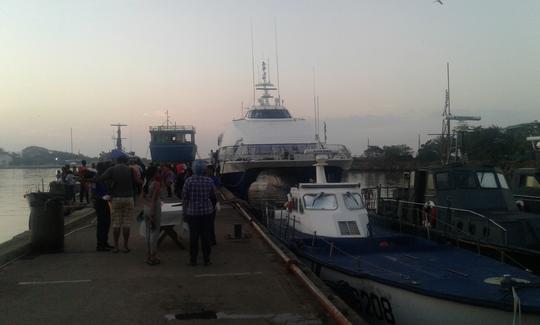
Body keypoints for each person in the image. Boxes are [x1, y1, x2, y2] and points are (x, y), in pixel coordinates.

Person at [95, 156, 134, 253]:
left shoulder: (112, 169)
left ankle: (116, 247)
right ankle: (125, 246)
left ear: (117, 160)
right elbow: (135, 182)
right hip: (128, 198)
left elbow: (100, 178)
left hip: (116, 198)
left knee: (116, 224)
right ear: (126, 161)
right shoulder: (130, 170)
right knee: (126, 224)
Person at [182, 160, 216, 266]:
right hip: (207, 212)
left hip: (192, 213)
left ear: (194, 169)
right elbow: (213, 195)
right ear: (204, 169)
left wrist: (184, 213)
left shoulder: (188, 181)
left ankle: (193, 260)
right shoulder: (209, 181)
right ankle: (207, 259)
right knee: (206, 236)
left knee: (194, 237)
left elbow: (185, 198)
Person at [143, 166, 162, 265]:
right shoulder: (156, 183)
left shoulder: (145, 182)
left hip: (146, 207)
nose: (158, 173)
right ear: (154, 173)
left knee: (147, 232)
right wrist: (153, 211)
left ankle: (148, 256)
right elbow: (154, 198)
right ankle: (153, 256)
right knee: (155, 232)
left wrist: (148, 204)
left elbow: (142, 196)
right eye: (157, 172)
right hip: (154, 207)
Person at [93, 162, 113, 251]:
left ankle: (105, 242)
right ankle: (100, 245)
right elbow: (93, 194)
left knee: (107, 223)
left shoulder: (104, 178)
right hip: (100, 202)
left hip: (106, 202)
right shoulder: (95, 179)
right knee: (101, 224)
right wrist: (102, 197)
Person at [205, 165, 220, 245]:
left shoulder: (215, 179)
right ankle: (209, 238)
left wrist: (217, 201)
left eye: (208, 170)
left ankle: (212, 239)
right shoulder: (207, 178)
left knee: (210, 221)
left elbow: (217, 190)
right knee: (208, 221)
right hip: (207, 200)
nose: (206, 171)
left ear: (211, 170)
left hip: (212, 200)